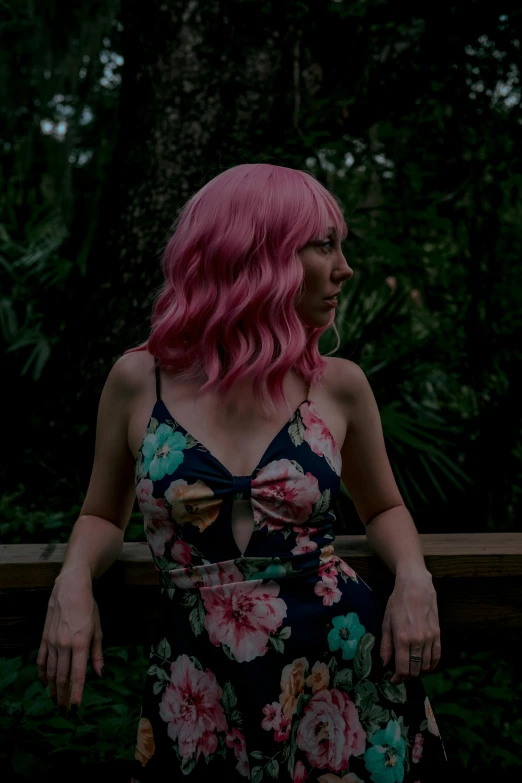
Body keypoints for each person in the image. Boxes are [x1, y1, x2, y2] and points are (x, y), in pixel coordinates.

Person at [37, 163, 448, 781]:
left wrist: (414, 576)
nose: (345, 268)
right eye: (324, 244)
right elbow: (101, 514)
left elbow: (385, 507)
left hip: (343, 676)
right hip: (199, 686)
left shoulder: (338, 386)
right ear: (258, 255)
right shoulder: (136, 379)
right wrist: (72, 579)